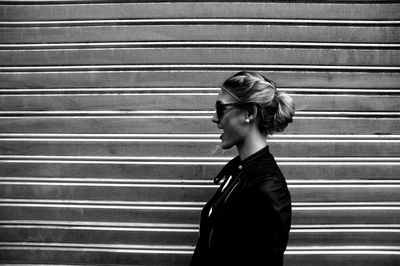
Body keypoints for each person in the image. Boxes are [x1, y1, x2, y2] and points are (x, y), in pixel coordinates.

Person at [190, 71, 294, 266]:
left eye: (221, 109)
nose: (214, 118)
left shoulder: (268, 189)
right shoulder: (241, 170)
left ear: (249, 113)